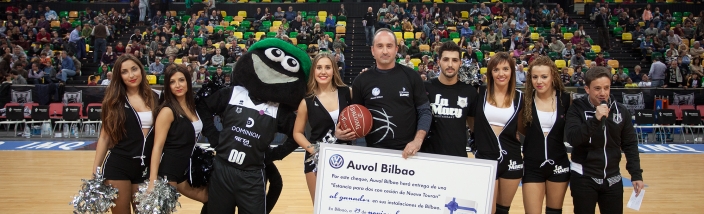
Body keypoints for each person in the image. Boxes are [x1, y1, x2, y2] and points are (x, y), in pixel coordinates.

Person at [564, 66, 644, 214]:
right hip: (584, 177)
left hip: (613, 178)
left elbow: (630, 144)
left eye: (606, 88)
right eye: (597, 88)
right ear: (587, 89)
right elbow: (573, 138)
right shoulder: (577, 108)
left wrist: (636, 174)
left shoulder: (621, 111)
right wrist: (595, 119)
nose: (603, 93)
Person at [91, 54, 160, 214]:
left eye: (134, 69)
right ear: (119, 76)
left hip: (146, 167)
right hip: (118, 165)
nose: (131, 75)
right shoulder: (114, 100)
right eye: (125, 71)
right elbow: (105, 137)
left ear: (141, 70)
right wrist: (96, 170)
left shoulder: (156, 97)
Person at [352, 28, 431, 158]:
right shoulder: (361, 81)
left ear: (396, 49)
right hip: (374, 155)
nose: (385, 51)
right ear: (372, 50)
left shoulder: (412, 76)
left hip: (408, 154)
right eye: (380, 46)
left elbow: (424, 111)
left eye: (389, 46)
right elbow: (356, 120)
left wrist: (417, 141)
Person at [293, 53, 354, 202]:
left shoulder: (347, 92)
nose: (323, 72)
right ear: (314, 71)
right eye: (319, 67)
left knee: (344, 207)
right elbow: (297, 133)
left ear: (334, 70)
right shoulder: (307, 101)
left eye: (328, 67)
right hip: (316, 160)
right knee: (320, 207)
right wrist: (314, 150)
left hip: (345, 157)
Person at [147, 65, 208, 212]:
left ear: (188, 81)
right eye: (172, 82)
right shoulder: (167, 111)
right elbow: (157, 147)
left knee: (213, 198)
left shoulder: (192, 106)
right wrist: (152, 180)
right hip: (169, 172)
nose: (178, 85)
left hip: (187, 170)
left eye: (181, 80)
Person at [471, 52, 524, 214]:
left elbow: (521, 127)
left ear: (512, 72)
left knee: (503, 210)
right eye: (496, 70)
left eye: (505, 69)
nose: (501, 74)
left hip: (512, 158)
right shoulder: (480, 93)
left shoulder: (521, 97)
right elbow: (471, 121)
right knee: (487, 209)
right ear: (490, 73)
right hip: (486, 156)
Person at [521, 56, 571, 214]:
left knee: (554, 212)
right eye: (535, 77)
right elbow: (521, 129)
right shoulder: (525, 100)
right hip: (532, 165)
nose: (539, 81)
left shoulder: (565, 99)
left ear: (553, 76)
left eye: (544, 76)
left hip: (559, 164)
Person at [421, 41, 478, 157]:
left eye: (455, 60)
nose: (450, 64)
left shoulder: (469, 92)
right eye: (446, 59)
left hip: (457, 158)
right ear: (439, 62)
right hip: (427, 158)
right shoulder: (425, 88)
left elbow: (474, 129)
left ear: (460, 63)